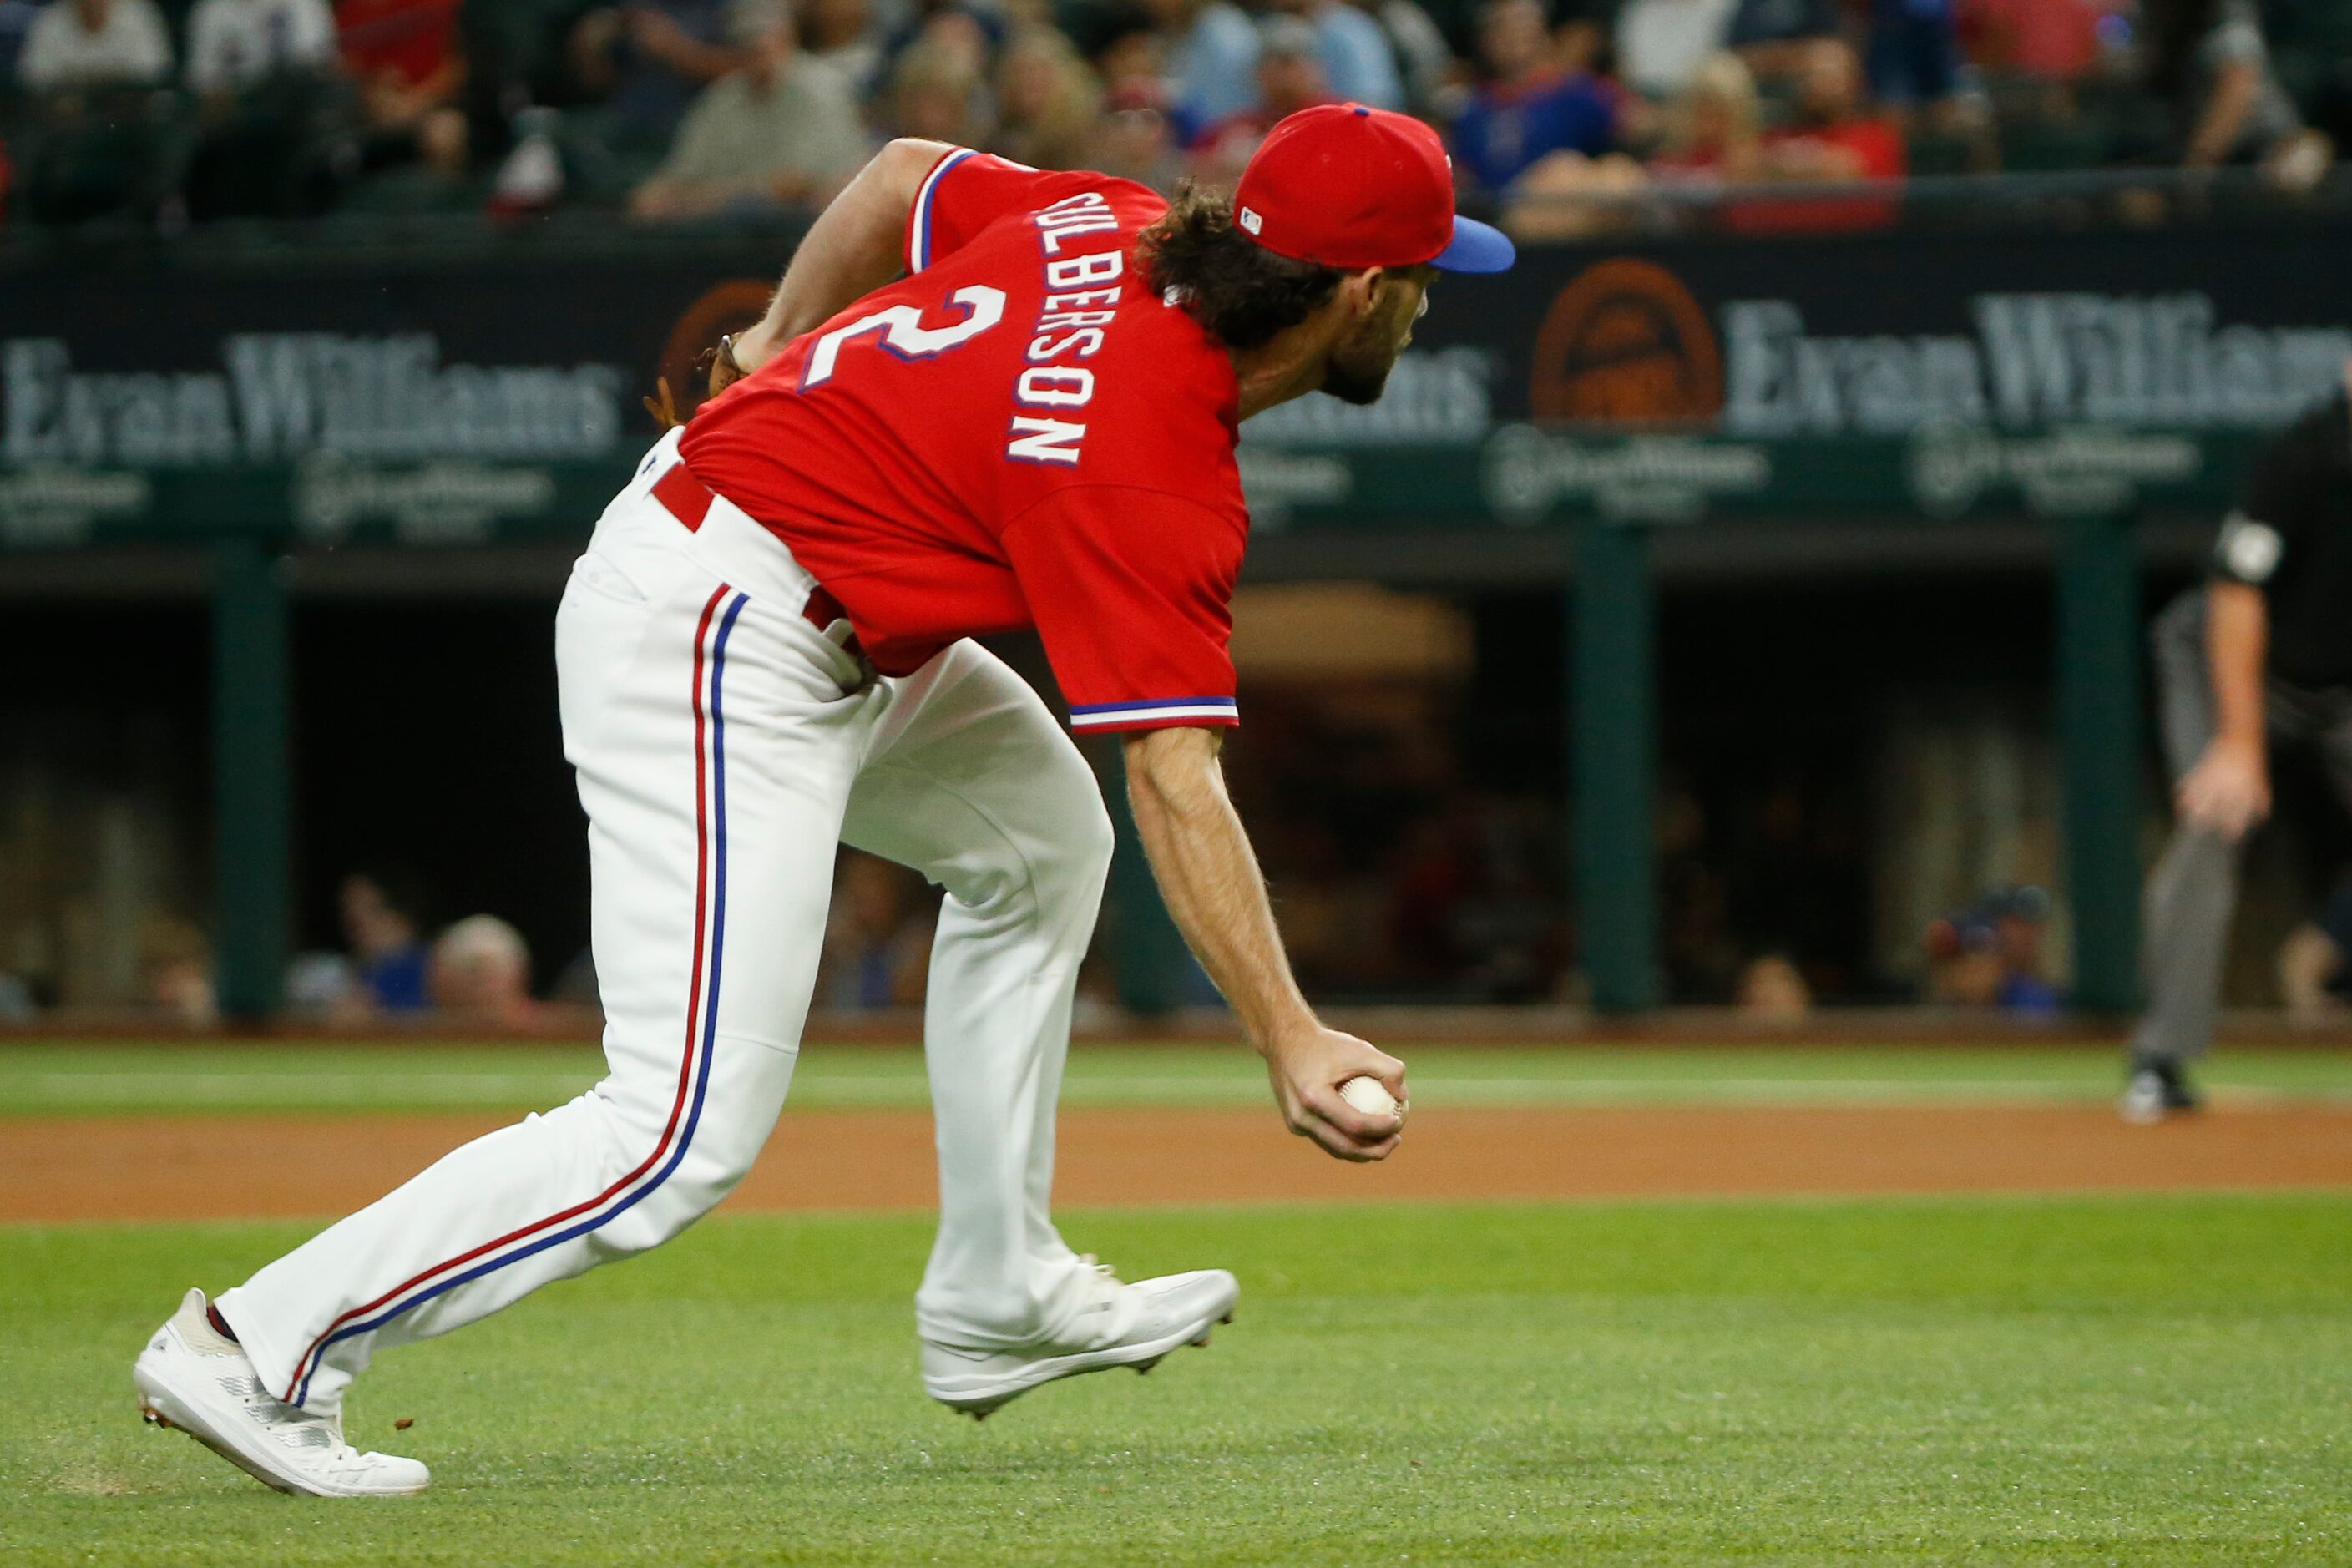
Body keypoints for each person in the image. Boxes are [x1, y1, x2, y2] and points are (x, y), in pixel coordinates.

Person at [132, 100, 1503, 1498]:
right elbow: (1174, 769)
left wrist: (772, 342)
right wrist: (1289, 1031)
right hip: (724, 630)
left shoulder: (1114, 219)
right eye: (1428, 276)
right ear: (1366, 291)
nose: (1431, 301)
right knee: (672, 1135)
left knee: (1040, 843)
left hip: (798, 585)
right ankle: (262, 1345)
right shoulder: (1154, 454)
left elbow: (902, 172)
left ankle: (997, 1286)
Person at [2127, 362, 2352, 1123]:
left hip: (2340, 686)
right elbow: (2234, 593)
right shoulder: (2305, 456)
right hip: (2230, 667)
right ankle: (2159, 1060)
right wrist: (2237, 743)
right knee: (2213, 825)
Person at [628, 6, 867, 220]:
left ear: (788, 37)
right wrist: (662, 195)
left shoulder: (821, 88)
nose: (758, 46)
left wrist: (708, 198)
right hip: (725, 222)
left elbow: (794, 184)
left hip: (802, 222)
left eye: (766, 35)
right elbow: (679, 175)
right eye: (747, 38)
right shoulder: (723, 97)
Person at [1451, 0, 1622, 195]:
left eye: (1523, 26)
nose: (1514, 38)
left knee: (1610, 169)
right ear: (1485, 41)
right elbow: (1464, 176)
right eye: (1502, 29)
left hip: (1569, 203)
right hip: (1499, 209)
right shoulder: (1471, 107)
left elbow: (1632, 128)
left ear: (1544, 34)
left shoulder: (1576, 92)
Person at [17, 0, 173, 89]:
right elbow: (33, 84)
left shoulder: (139, 15)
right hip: (67, 129)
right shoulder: (50, 21)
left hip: (131, 125)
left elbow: (155, 78)